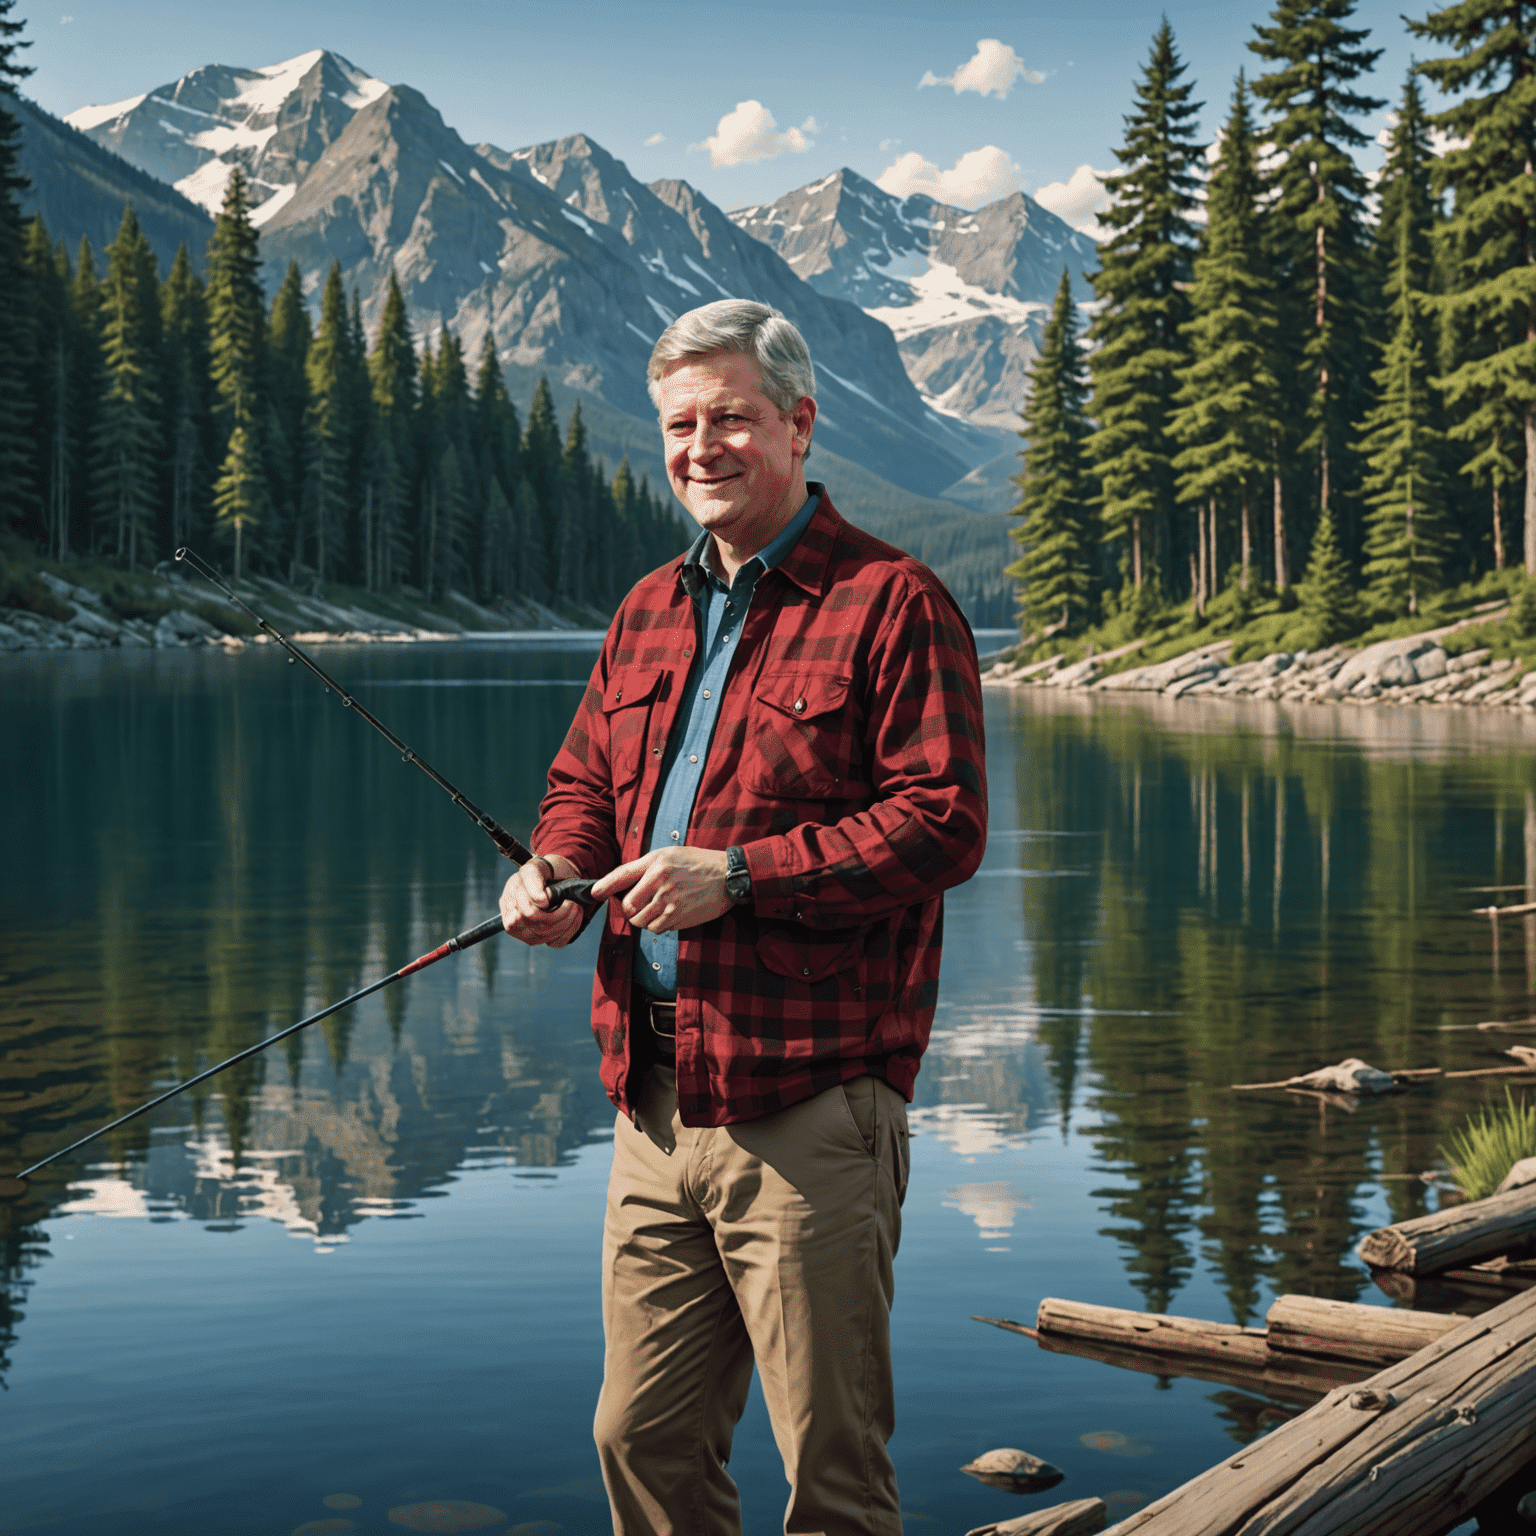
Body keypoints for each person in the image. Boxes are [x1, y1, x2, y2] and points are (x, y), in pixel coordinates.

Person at [500, 299, 987, 1536]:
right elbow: (582, 790)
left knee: (829, 1469)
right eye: (680, 424)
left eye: (731, 419)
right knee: (640, 1438)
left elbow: (942, 823)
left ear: (799, 426)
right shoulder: (647, 610)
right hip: (652, 1101)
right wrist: (556, 872)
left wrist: (745, 875)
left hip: (814, 1102)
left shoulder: (892, 600)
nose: (701, 447)